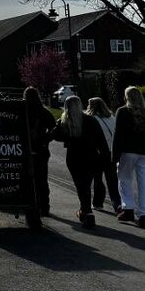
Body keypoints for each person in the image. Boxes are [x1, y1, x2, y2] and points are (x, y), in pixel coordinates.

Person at [48, 94, 110, 228]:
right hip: (91, 156)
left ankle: (86, 212)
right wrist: (105, 155)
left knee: (80, 185)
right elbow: (101, 141)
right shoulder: (90, 120)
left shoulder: (64, 121)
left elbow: (53, 136)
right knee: (86, 185)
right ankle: (86, 211)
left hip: (74, 157)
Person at [111, 86, 145, 227]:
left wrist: (114, 156)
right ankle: (143, 213)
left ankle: (128, 209)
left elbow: (117, 135)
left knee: (124, 179)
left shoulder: (123, 111)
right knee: (143, 182)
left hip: (128, 151)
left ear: (126, 97)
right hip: (144, 151)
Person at [23, 86, 55, 215]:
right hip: (41, 149)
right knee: (42, 179)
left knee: (27, 178)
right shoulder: (43, 111)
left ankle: (29, 204)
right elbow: (54, 128)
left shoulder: (23, 110)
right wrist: (45, 139)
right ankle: (44, 206)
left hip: (25, 148)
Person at [85, 97, 120, 212]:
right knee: (112, 180)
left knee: (98, 179)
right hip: (111, 152)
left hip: (98, 153)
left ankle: (98, 202)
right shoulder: (112, 118)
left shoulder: (92, 119)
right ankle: (117, 204)